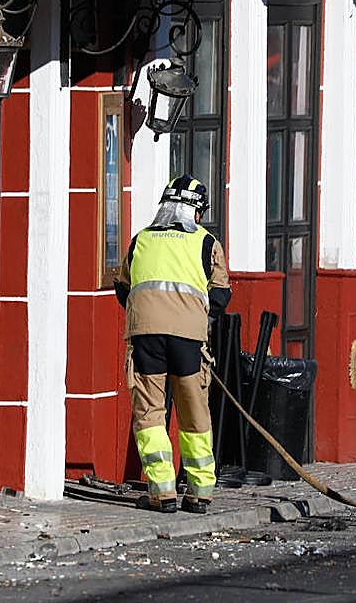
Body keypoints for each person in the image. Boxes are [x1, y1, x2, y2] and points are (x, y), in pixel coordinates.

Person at [115, 174, 232, 514]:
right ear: (196, 212)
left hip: (145, 334)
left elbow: (124, 288)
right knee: (194, 411)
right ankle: (199, 492)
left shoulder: (141, 240)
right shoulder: (206, 242)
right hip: (190, 339)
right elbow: (221, 295)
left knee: (150, 411)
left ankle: (162, 491)